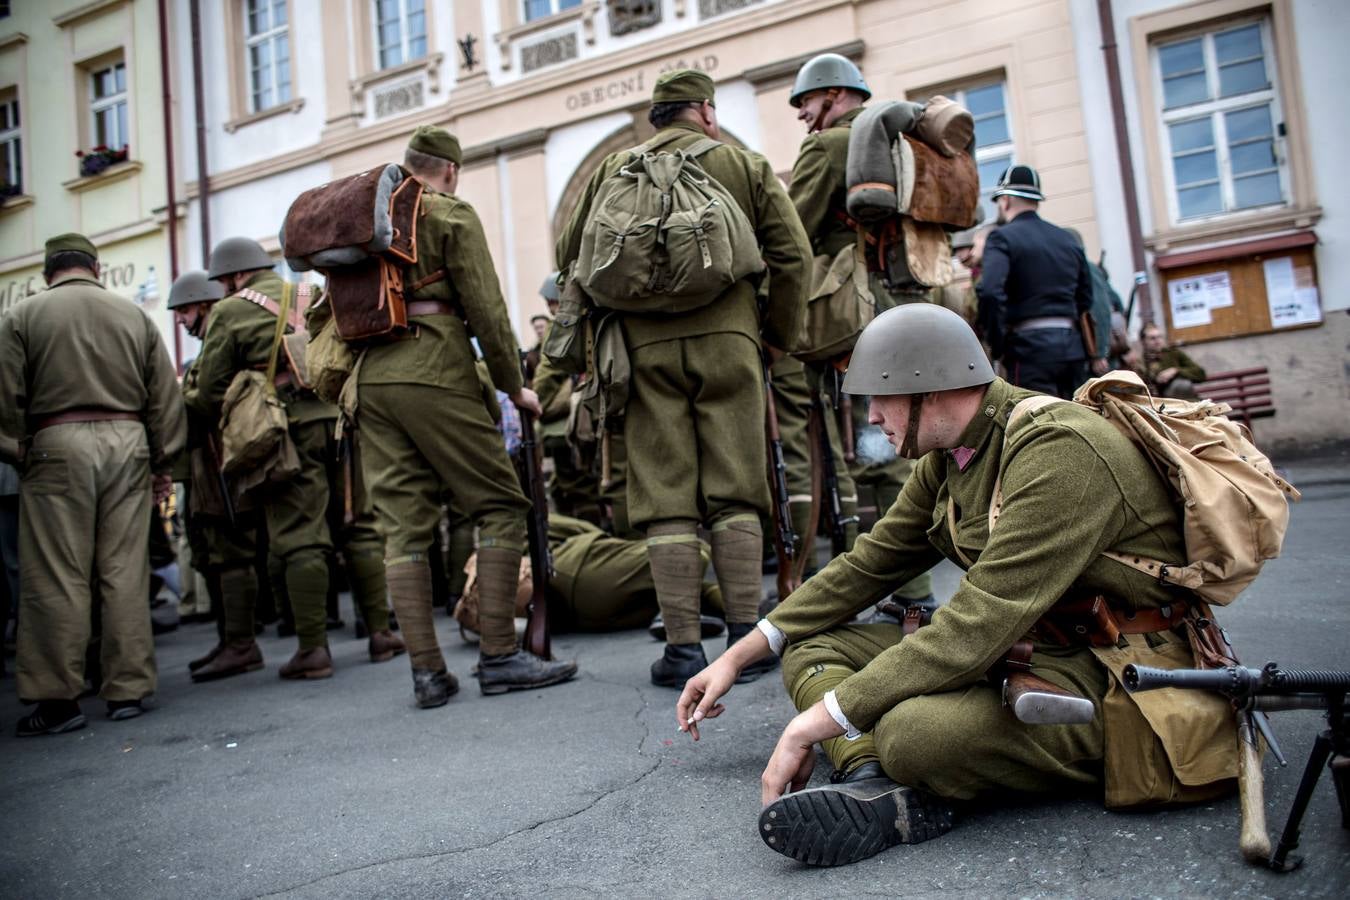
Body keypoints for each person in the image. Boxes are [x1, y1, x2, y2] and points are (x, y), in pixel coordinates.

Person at [676, 304, 1237, 867]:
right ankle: (870, 776)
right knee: (811, 645)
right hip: (1033, 643)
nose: (872, 417)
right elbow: (870, 563)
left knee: (913, 735)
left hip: (1116, 667)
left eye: (881, 397)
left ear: (931, 390)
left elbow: (976, 626)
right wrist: (741, 653)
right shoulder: (957, 451)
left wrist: (816, 723)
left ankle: (884, 760)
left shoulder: (1061, 452)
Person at [557, 69, 810, 687]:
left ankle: (682, 652)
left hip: (640, 351)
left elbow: (571, 254)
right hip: (730, 340)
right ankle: (743, 642)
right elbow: (793, 255)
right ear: (704, 111)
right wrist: (775, 336)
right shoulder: (742, 164)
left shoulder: (610, 172)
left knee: (666, 496)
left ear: (656, 117)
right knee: (737, 489)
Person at [346, 124, 577, 709]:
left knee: (402, 525)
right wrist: (512, 386)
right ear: (448, 170)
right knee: (499, 502)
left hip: (371, 379)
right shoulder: (448, 213)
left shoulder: (363, 219)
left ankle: (428, 673)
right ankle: (499, 655)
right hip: (435, 368)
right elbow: (487, 311)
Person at [187, 237, 404, 681]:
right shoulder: (312, 292)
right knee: (359, 525)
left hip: (289, 432)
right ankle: (381, 634)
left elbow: (209, 392)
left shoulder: (230, 311)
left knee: (301, 536)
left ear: (231, 276)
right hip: (343, 421)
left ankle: (313, 650)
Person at [0, 233, 186, 734]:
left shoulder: (22, 316)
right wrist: (163, 461)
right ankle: (128, 688)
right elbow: (164, 395)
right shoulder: (134, 317)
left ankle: (59, 700)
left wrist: (16, 448)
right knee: (124, 569)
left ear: (47, 272)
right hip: (129, 444)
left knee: (58, 573)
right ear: (96, 268)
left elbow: (5, 396)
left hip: (55, 442)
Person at [787, 52, 932, 606]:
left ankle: (908, 592)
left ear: (835, 95)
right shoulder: (900, 145)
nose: (803, 114)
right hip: (906, 304)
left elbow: (790, 233)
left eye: (807, 101)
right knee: (902, 441)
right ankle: (906, 585)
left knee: (873, 448)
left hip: (857, 316)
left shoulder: (827, 147)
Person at [169, 270, 270, 682]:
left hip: (221, 457)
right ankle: (231, 640)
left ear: (206, 305)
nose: (180, 319)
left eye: (185, 309)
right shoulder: (216, 337)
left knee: (231, 552)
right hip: (206, 461)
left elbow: (210, 397)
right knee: (212, 549)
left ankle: (241, 644)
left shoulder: (224, 335)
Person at [454, 514, 726, 638]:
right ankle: (677, 614)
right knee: (690, 551)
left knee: (683, 588)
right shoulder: (520, 525)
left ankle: (748, 614)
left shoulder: (493, 557)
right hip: (581, 571)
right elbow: (575, 527)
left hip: (583, 617)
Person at [976, 164, 1094, 399]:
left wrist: (998, 345)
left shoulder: (1002, 238)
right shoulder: (1067, 239)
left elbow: (989, 291)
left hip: (1028, 350)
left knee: (1036, 426)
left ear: (1006, 200)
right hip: (1072, 348)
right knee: (1079, 420)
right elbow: (1085, 297)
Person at [1137, 323, 1206, 399]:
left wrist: (1175, 371)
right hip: (1160, 404)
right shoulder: (1140, 362)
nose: (1157, 341)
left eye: (1159, 337)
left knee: (1181, 384)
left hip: (1186, 400)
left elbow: (1200, 373)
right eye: (1152, 338)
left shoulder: (1173, 353)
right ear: (1143, 342)